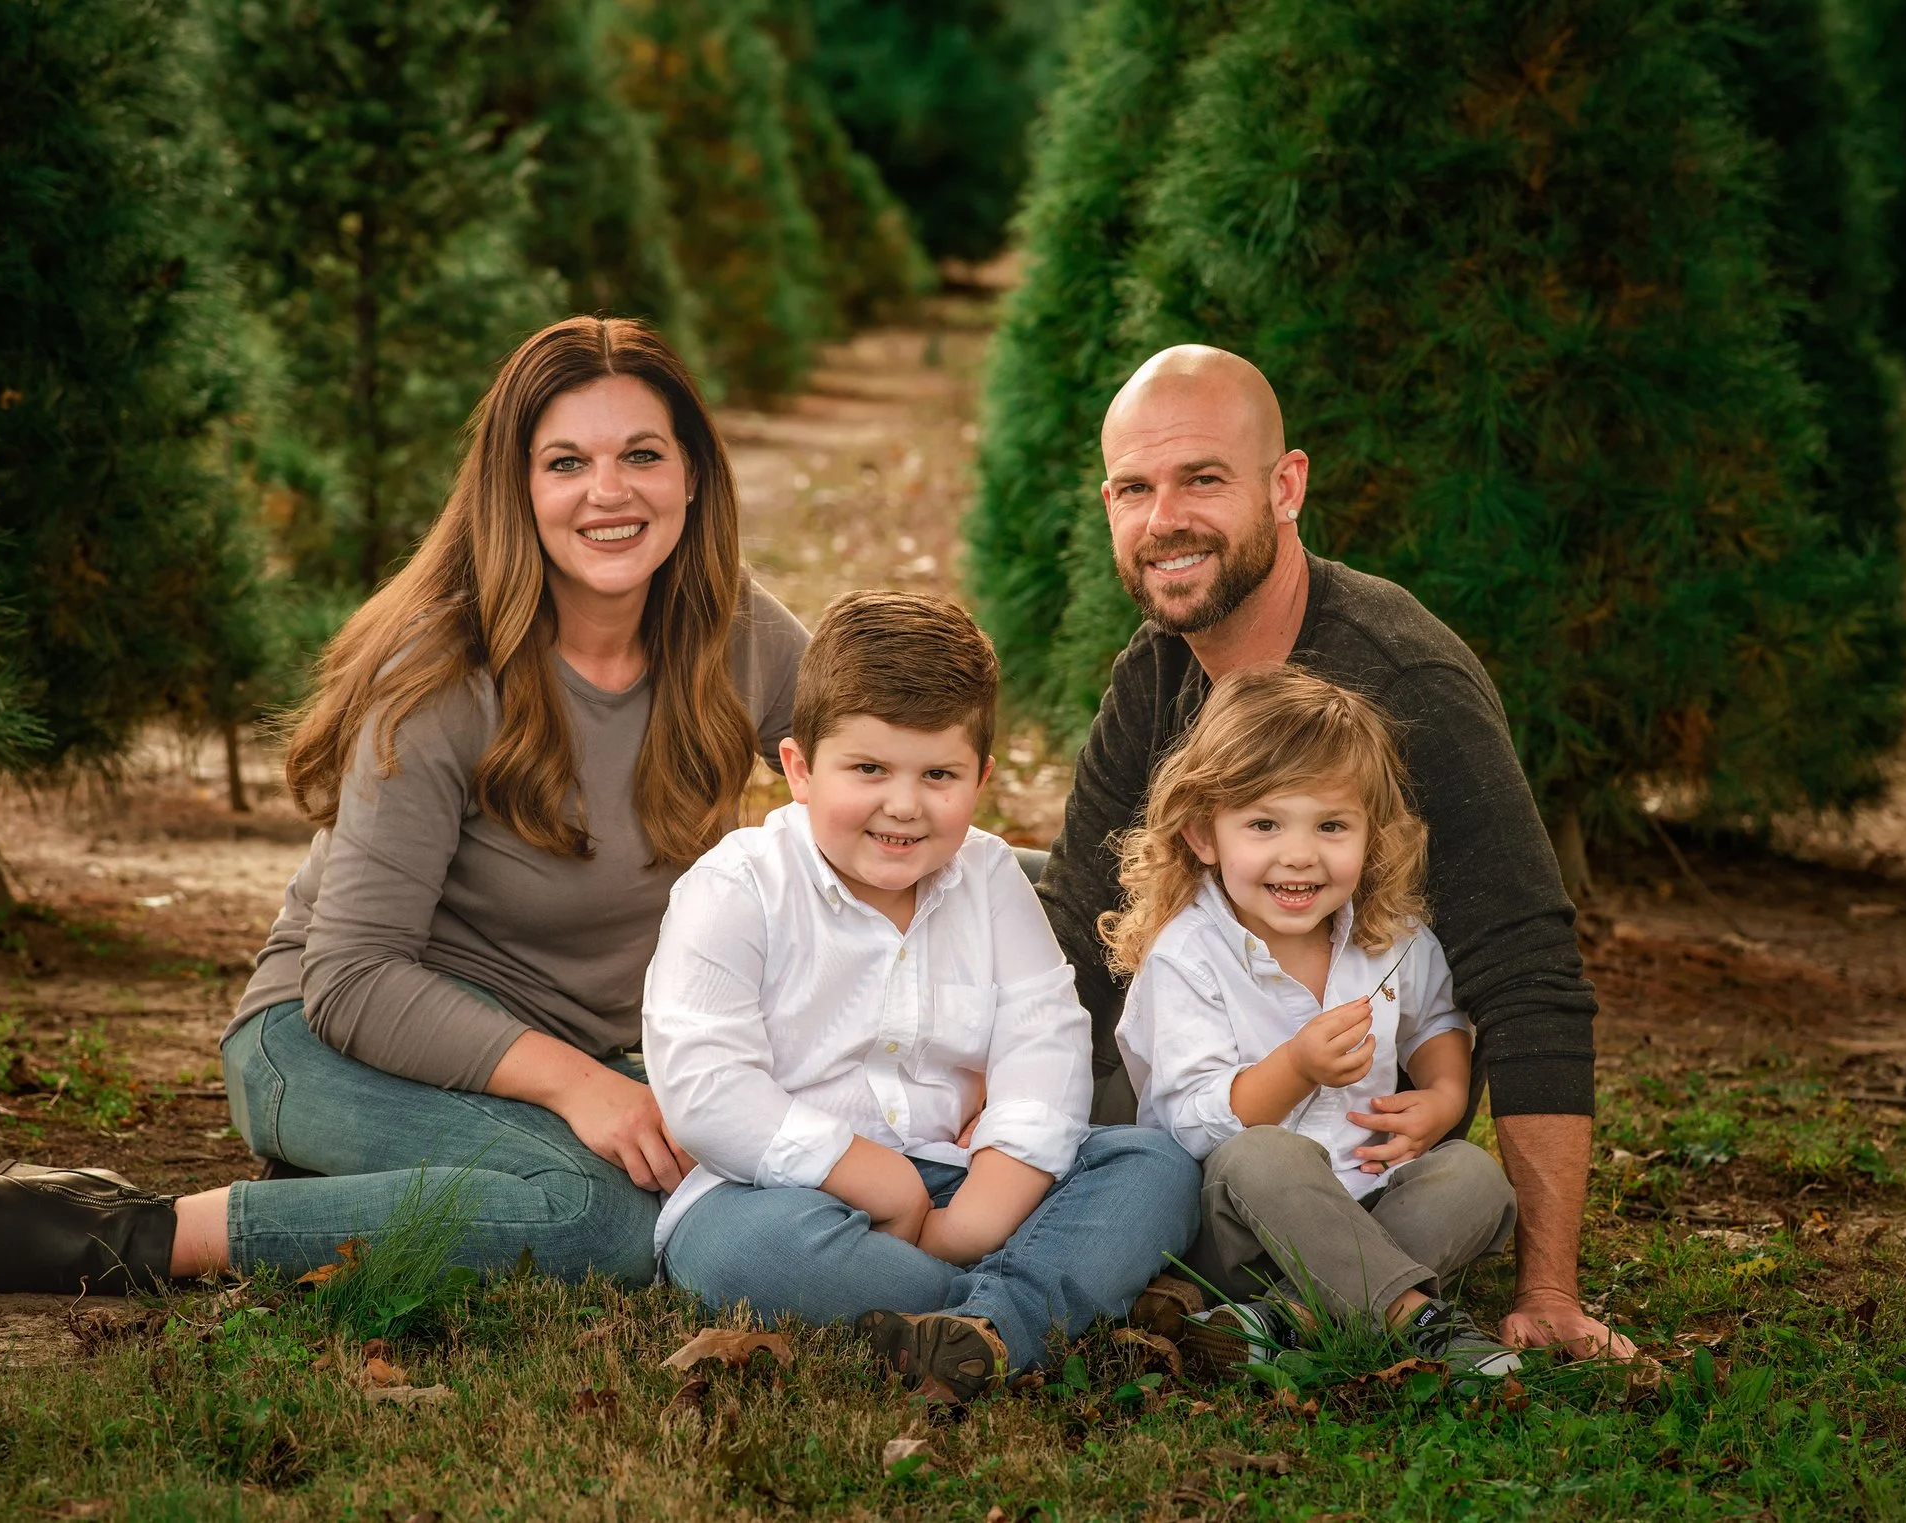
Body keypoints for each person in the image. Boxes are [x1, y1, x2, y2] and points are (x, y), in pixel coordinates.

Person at [0, 316, 807, 1302]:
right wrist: (579, 1085)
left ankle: (393, 1186)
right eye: (565, 461)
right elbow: (352, 976)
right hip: (327, 1036)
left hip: (563, 1046)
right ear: (516, 490)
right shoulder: (436, 674)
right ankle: (112, 1228)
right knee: (598, 1216)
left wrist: (1003, 875)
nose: (609, 490)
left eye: (642, 453)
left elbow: (882, 768)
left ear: (692, 476)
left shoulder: (732, 628)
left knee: (717, 1158)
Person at [1036, 343, 1633, 1360]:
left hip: (1365, 1142)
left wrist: (1549, 1286)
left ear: (1285, 486)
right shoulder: (1156, 671)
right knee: (993, 891)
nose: (1163, 517)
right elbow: (1071, 919)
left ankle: (1283, 1313)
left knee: (1466, 1185)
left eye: (1202, 479)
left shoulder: (1405, 683)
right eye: (1135, 488)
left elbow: (1524, 971)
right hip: (1203, 1099)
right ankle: (1377, 1308)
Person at [644, 591, 1199, 1403]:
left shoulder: (988, 877)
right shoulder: (737, 887)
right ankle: (1028, 1310)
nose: (903, 805)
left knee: (1155, 1164)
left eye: (938, 774)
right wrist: (879, 1180)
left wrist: (975, 1212)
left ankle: (980, 1320)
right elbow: (707, 1085)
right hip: (785, 1196)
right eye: (868, 769)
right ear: (798, 767)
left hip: (962, 1176)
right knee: (740, 1256)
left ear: (981, 776)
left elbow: (1043, 1043)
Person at [1110, 666, 1519, 1375]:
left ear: (1371, 835)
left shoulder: (1391, 935)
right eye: (1264, 824)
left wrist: (1445, 1094)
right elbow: (1193, 1121)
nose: (1300, 854)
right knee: (1265, 1152)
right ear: (1205, 833)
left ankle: (1282, 1319)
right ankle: (1411, 1316)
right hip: (1236, 1224)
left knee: (1474, 1175)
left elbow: (1433, 1019)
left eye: (1332, 825)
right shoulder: (1189, 953)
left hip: (1368, 1203)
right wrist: (1293, 1067)